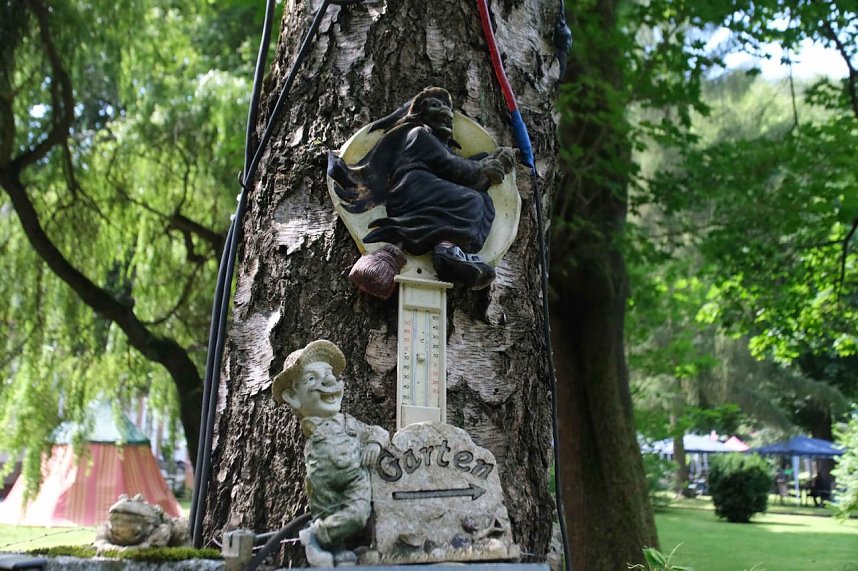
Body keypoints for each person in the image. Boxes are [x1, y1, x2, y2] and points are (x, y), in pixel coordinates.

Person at [328, 87, 516, 291]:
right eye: (436, 105)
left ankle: (449, 250)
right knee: (473, 201)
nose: (447, 113)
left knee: (482, 201)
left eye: (448, 110)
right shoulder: (419, 133)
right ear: (421, 114)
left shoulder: (439, 143)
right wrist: (484, 167)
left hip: (426, 191)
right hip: (414, 192)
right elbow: (452, 167)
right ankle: (445, 251)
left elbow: (459, 167)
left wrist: (489, 163)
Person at [273, 339, 389, 567]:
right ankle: (333, 549)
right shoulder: (312, 427)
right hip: (321, 482)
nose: (328, 381)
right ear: (293, 397)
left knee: (356, 516)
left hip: (355, 479)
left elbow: (378, 432)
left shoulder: (348, 424)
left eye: (330, 374)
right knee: (327, 514)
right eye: (312, 378)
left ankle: (315, 536)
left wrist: (374, 444)